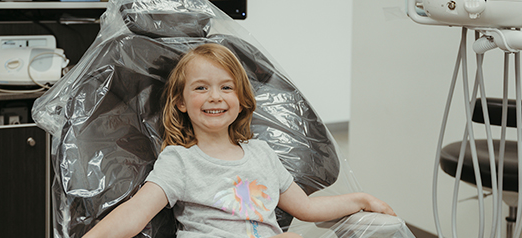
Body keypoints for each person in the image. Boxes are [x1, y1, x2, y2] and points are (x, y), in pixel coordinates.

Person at [82, 43, 396, 238]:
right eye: (201, 88)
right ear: (180, 101)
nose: (215, 97)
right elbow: (134, 215)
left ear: (242, 99)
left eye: (226, 88)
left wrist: (362, 199)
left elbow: (307, 208)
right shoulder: (180, 161)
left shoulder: (262, 155)